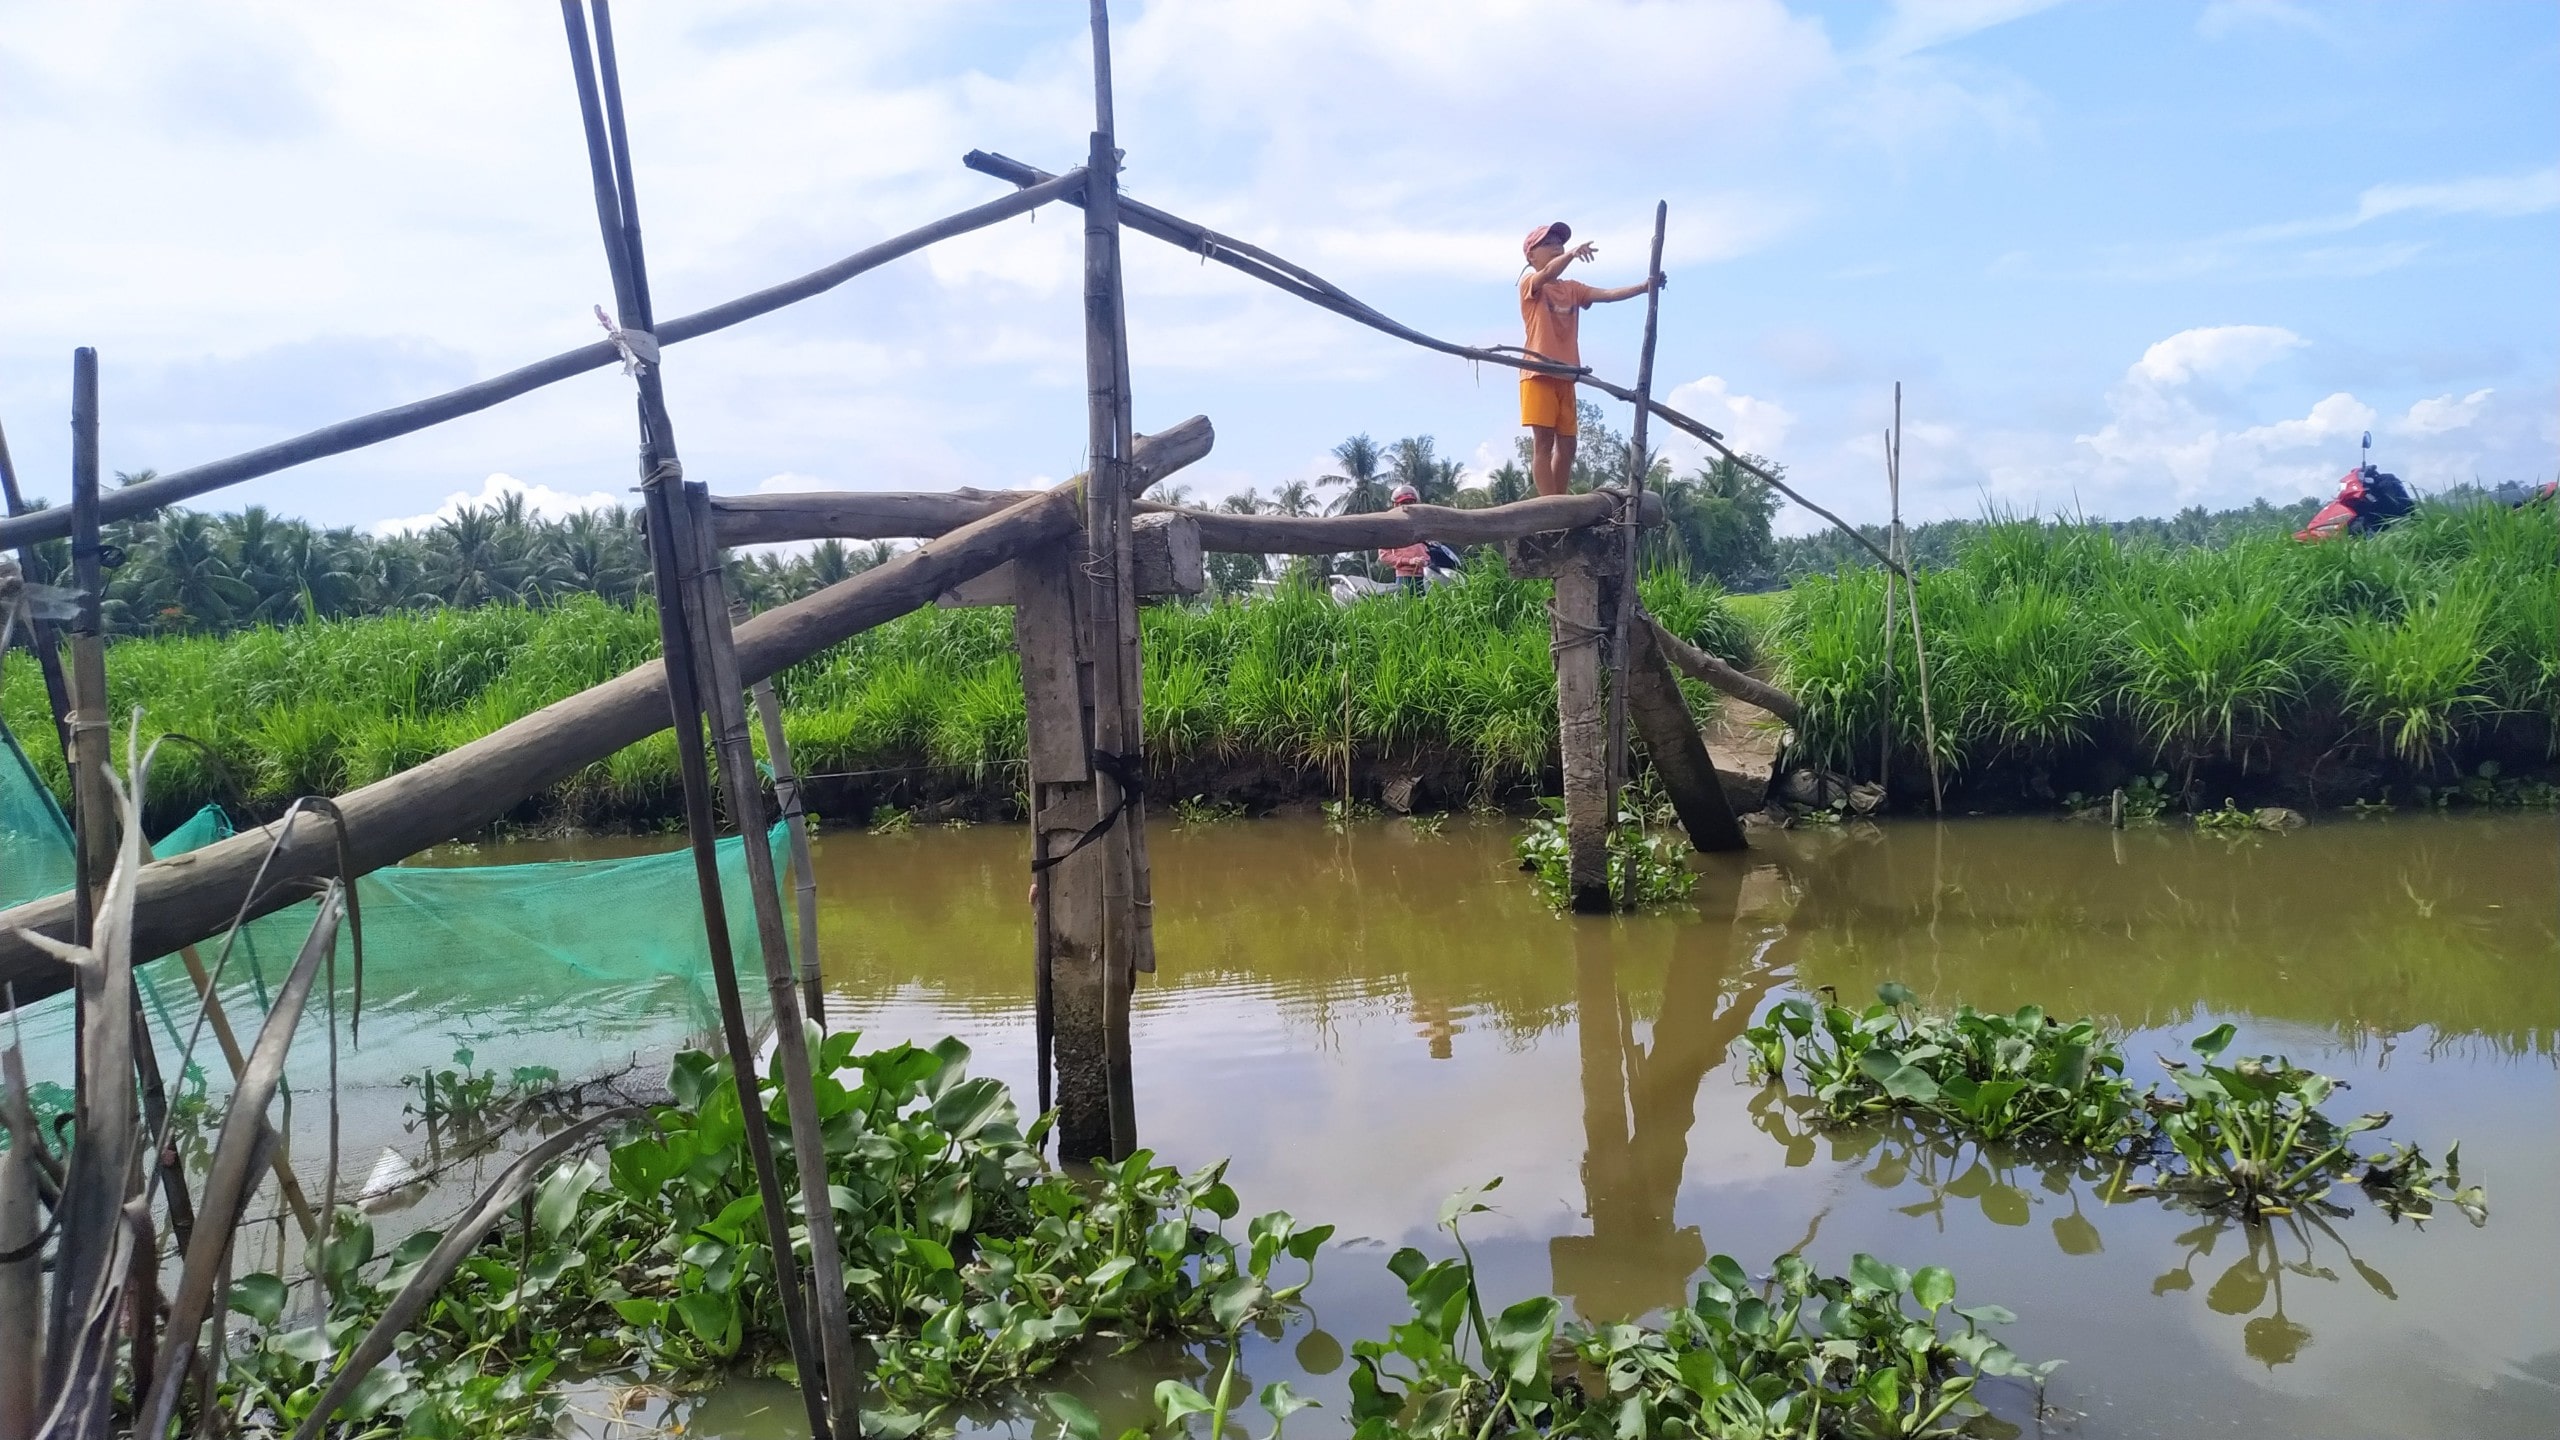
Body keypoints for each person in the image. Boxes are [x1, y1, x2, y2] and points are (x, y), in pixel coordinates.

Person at [1517, 221, 1663, 496]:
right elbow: (1548, 273)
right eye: (1547, 243)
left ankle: (1560, 499)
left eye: (1558, 243)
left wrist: (1645, 287)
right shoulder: (1531, 284)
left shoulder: (1572, 289)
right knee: (1543, 442)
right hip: (1538, 374)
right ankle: (1549, 503)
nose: (1556, 247)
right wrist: (1571, 254)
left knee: (1568, 444)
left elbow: (1606, 295)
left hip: (1566, 374)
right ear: (1531, 256)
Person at [1378, 484, 1431, 595]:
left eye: (1410, 502)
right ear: (1395, 505)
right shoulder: (1390, 527)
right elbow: (1385, 556)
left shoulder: (1423, 525)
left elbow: (1432, 547)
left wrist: (1427, 560)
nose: (1407, 506)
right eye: (1404, 503)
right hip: (1405, 577)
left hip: (1427, 574)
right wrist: (1409, 561)